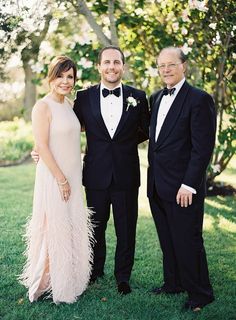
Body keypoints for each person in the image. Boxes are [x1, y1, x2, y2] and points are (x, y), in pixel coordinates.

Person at [73, 46, 150, 294]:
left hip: (126, 174)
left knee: (126, 229)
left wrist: (124, 144)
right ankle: (95, 271)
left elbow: (146, 131)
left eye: (116, 62)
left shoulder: (138, 96)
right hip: (95, 174)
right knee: (96, 227)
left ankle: (123, 277)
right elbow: (70, 128)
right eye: (106, 62)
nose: (111, 67)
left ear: (123, 66)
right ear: (99, 67)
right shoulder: (83, 97)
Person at [20, 56, 93, 304]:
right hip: (54, 178)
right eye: (60, 76)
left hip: (73, 176)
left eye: (70, 77)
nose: (65, 81)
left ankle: (71, 279)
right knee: (56, 229)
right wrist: (61, 180)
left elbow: (61, 137)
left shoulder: (70, 105)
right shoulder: (43, 106)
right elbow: (41, 144)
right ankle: (56, 287)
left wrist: (70, 178)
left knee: (71, 227)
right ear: (51, 77)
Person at [147, 47, 216, 311]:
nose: (165, 69)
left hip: (183, 187)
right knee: (168, 238)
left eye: (171, 65)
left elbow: (202, 148)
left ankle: (200, 293)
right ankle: (173, 282)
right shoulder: (155, 98)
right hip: (157, 184)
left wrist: (189, 184)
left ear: (183, 66)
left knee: (188, 239)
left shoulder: (199, 99)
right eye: (161, 65)